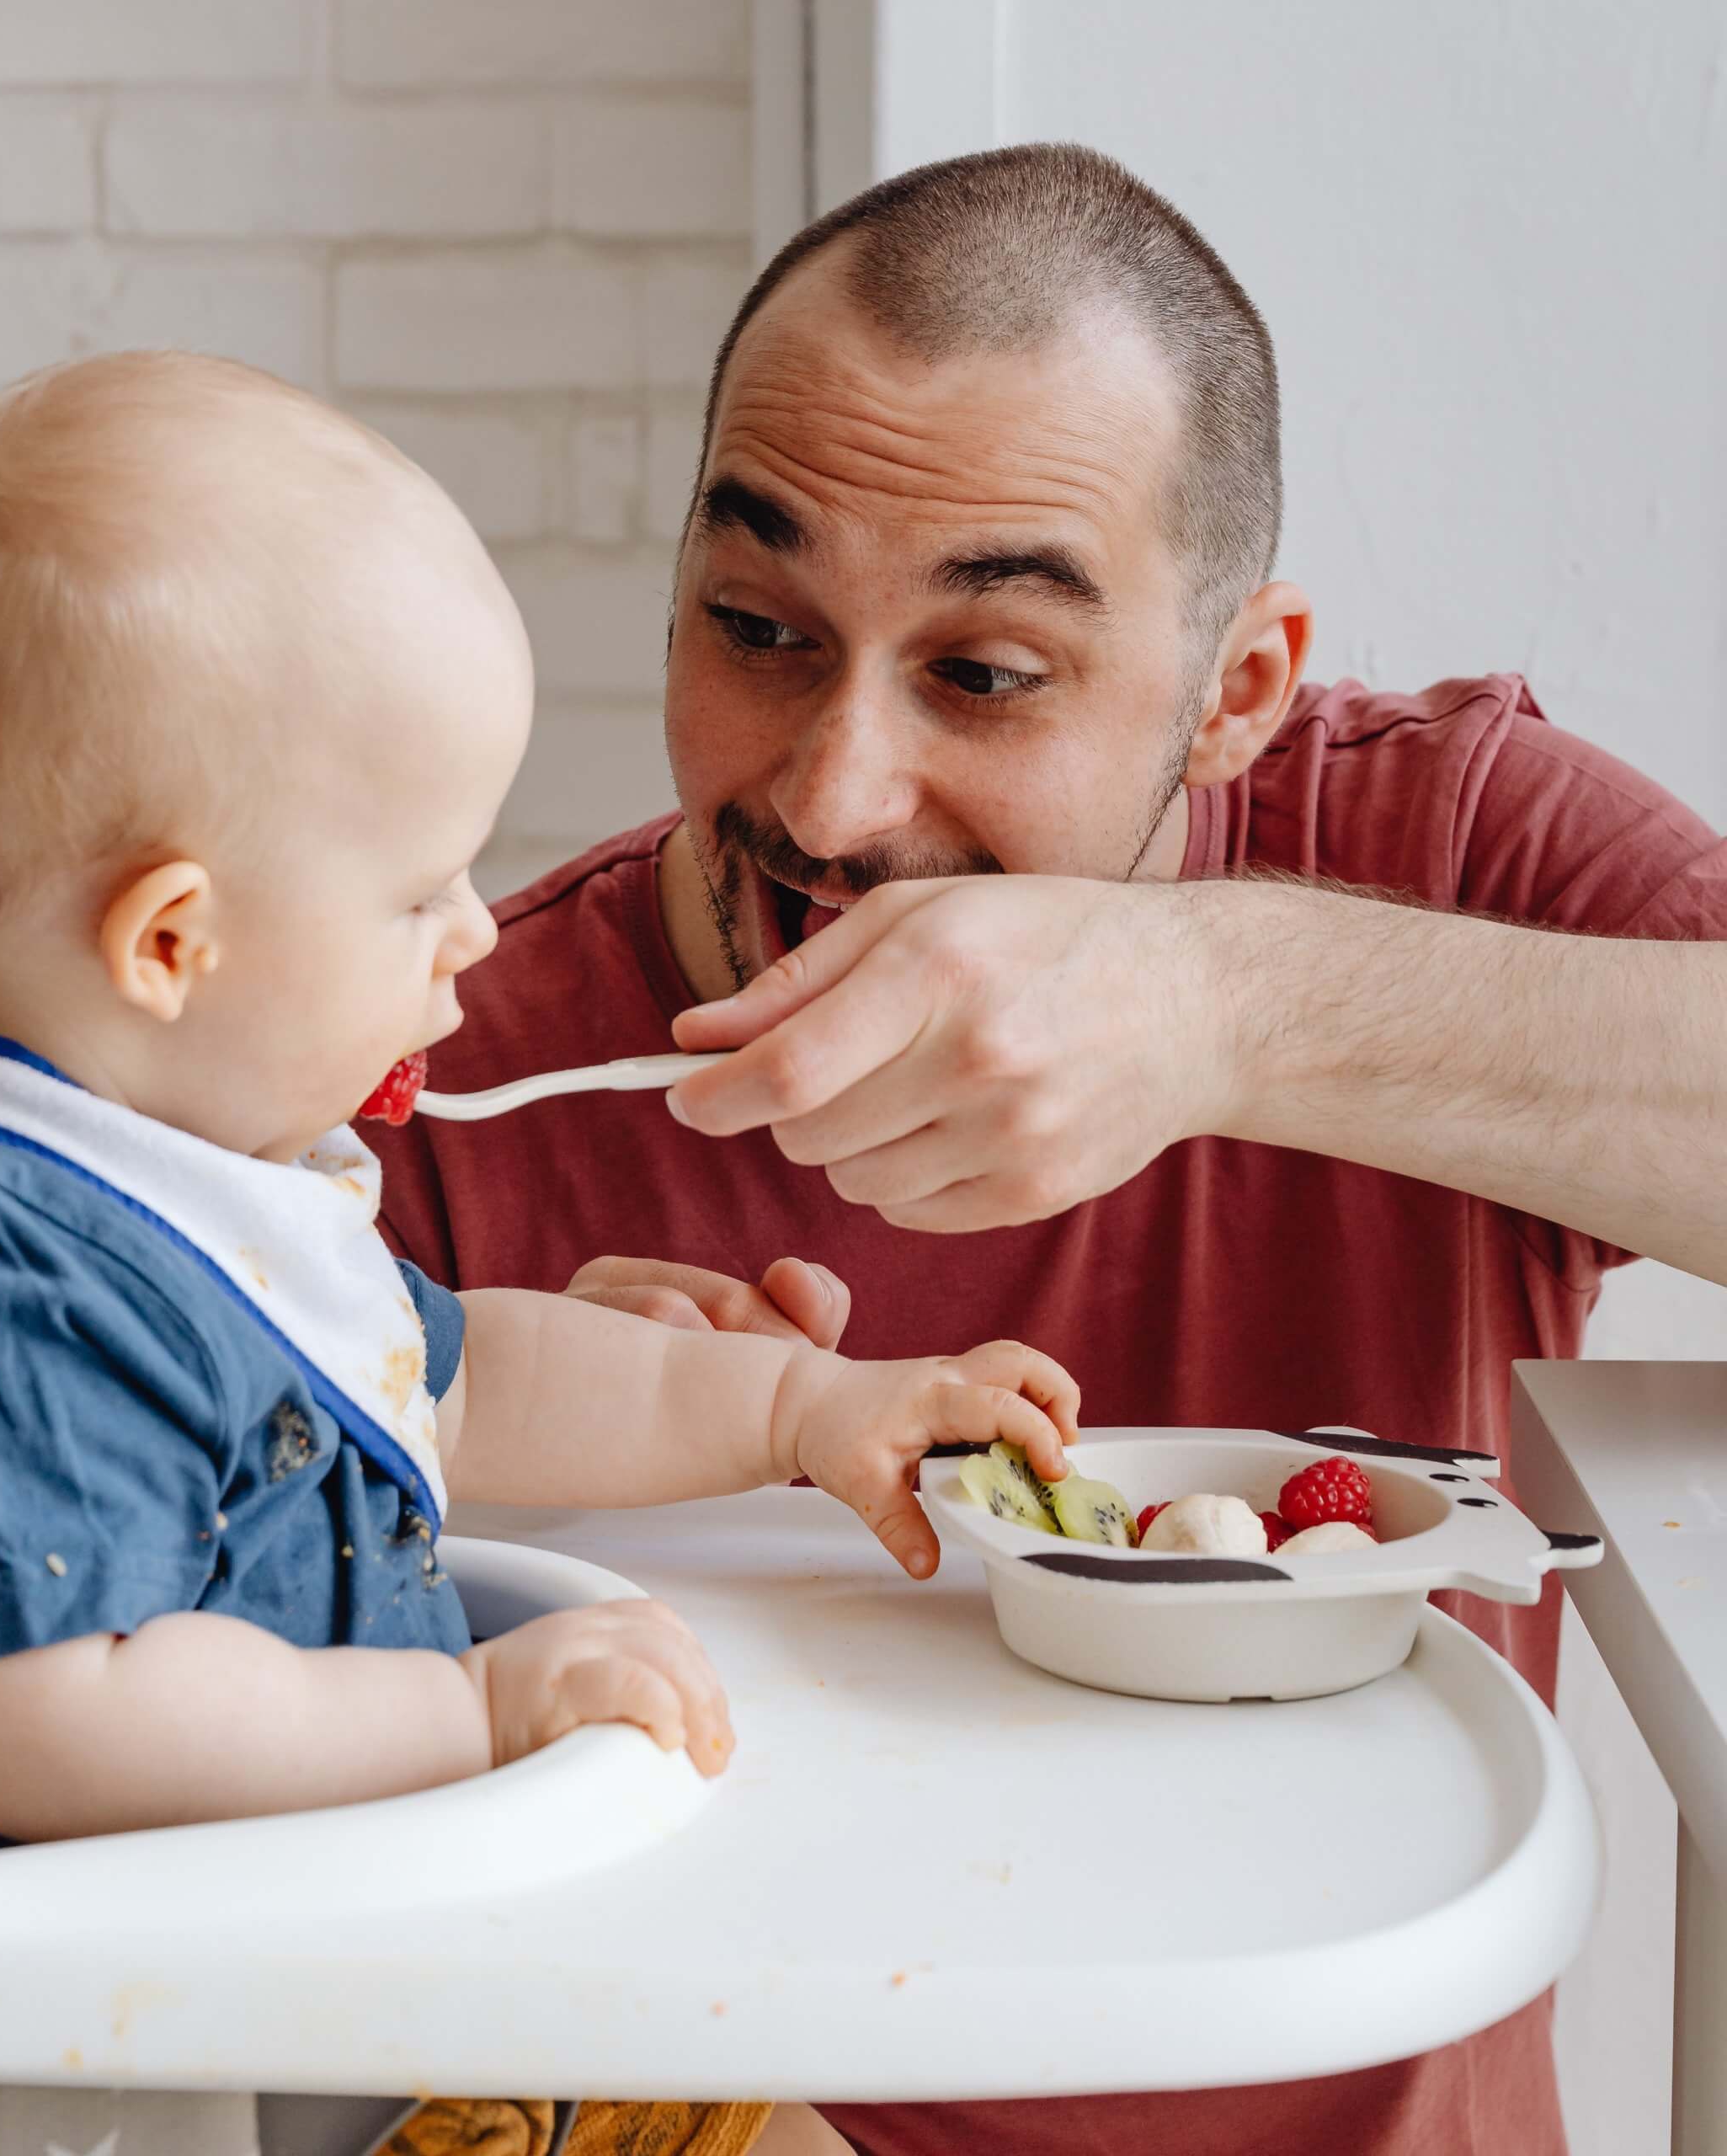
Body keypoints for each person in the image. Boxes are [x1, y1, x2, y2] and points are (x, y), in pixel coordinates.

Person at [367, 145, 1727, 2156]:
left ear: (1234, 690)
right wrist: (492, 1465)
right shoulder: (427, 1065)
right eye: (755, 626)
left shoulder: (1448, 848)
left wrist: (1228, 1012)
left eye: (982, 674)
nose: (830, 795)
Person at [0, 353, 1089, 2156]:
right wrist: (474, 1706)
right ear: (172, 942)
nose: (473, 934)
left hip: (401, 1992)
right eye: (419, 888)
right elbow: (68, 1720)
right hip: (234, 2075)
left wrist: (798, 1407)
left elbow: (472, 1374)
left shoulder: (182, 1179)